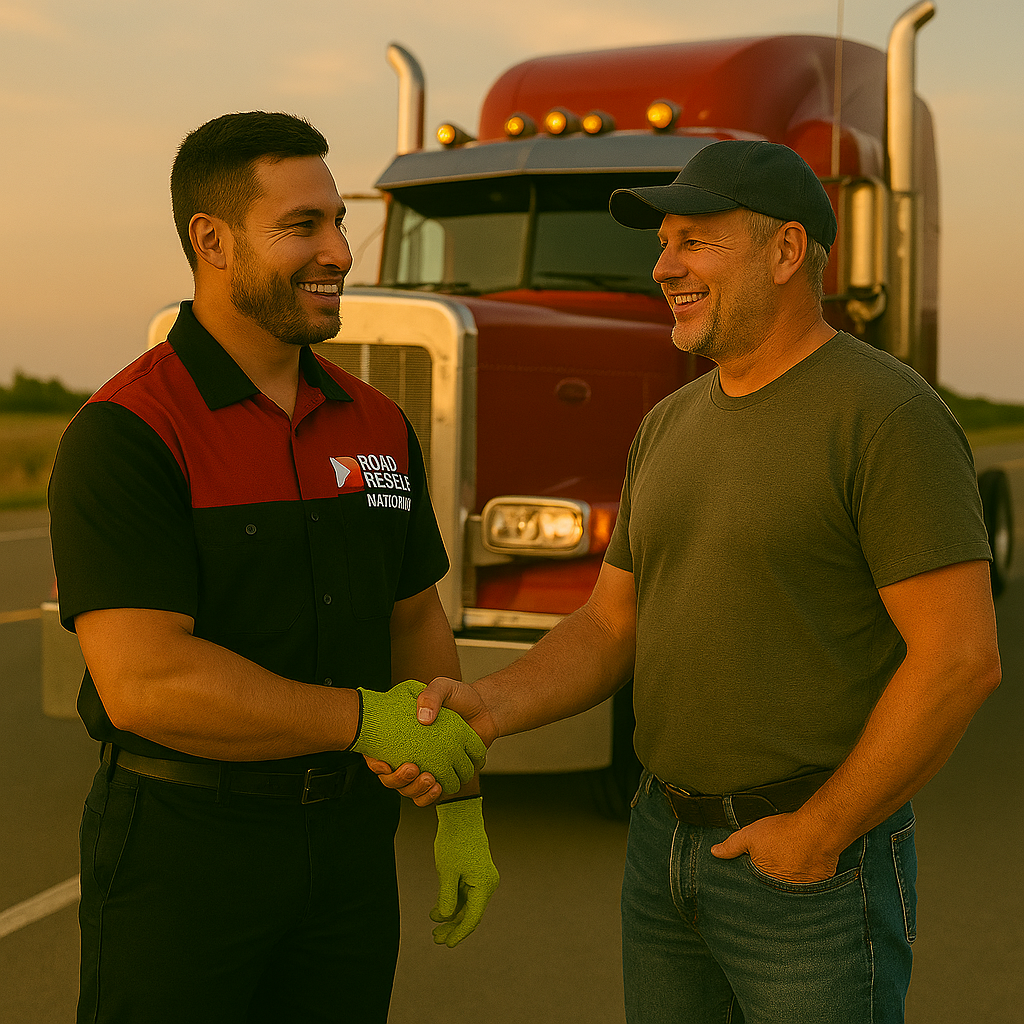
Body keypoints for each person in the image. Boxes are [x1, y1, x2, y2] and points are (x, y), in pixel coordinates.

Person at [382, 140, 1002, 1023]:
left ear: (787, 252)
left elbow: (959, 658)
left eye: (695, 242)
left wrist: (820, 833)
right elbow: (608, 626)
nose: (662, 266)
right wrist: (491, 708)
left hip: (807, 873)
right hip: (662, 845)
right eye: (663, 242)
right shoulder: (669, 423)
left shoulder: (887, 417)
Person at [49, 111, 497, 1024]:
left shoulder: (378, 424)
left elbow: (412, 619)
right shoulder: (128, 434)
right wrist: (363, 720)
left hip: (347, 852)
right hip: (185, 854)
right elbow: (146, 682)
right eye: (303, 227)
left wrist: (459, 796)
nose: (339, 250)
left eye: (339, 220)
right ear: (210, 241)